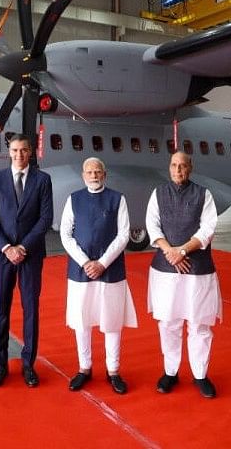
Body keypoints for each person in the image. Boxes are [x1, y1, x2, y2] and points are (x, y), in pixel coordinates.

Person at [145, 151, 222, 399]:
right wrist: (170, 252)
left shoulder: (204, 194)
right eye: (174, 165)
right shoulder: (158, 194)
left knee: (199, 323)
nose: (178, 170)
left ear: (191, 168)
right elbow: (152, 225)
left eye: (183, 166)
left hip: (197, 270)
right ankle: (170, 372)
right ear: (169, 168)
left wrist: (183, 250)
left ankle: (200, 375)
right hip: (166, 270)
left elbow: (208, 229)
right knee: (169, 322)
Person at [59, 157, 137, 394]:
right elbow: (65, 233)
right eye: (89, 172)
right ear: (83, 175)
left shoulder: (117, 199)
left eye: (97, 172)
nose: (93, 176)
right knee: (82, 321)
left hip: (110, 269)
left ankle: (113, 370)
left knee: (111, 321)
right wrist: (85, 262)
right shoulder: (74, 199)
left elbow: (124, 235)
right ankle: (84, 368)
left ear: (104, 174)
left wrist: (102, 263)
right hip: (80, 270)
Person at [0, 134, 53, 388]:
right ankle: (0, 364)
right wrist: (6, 248)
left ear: (31, 152)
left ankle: (28, 364)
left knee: (30, 309)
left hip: (31, 254)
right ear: (9, 152)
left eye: (24, 150)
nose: (19, 155)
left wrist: (22, 247)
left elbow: (45, 219)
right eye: (15, 150)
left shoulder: (43, 180)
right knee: (1, 309)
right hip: (2, 255)